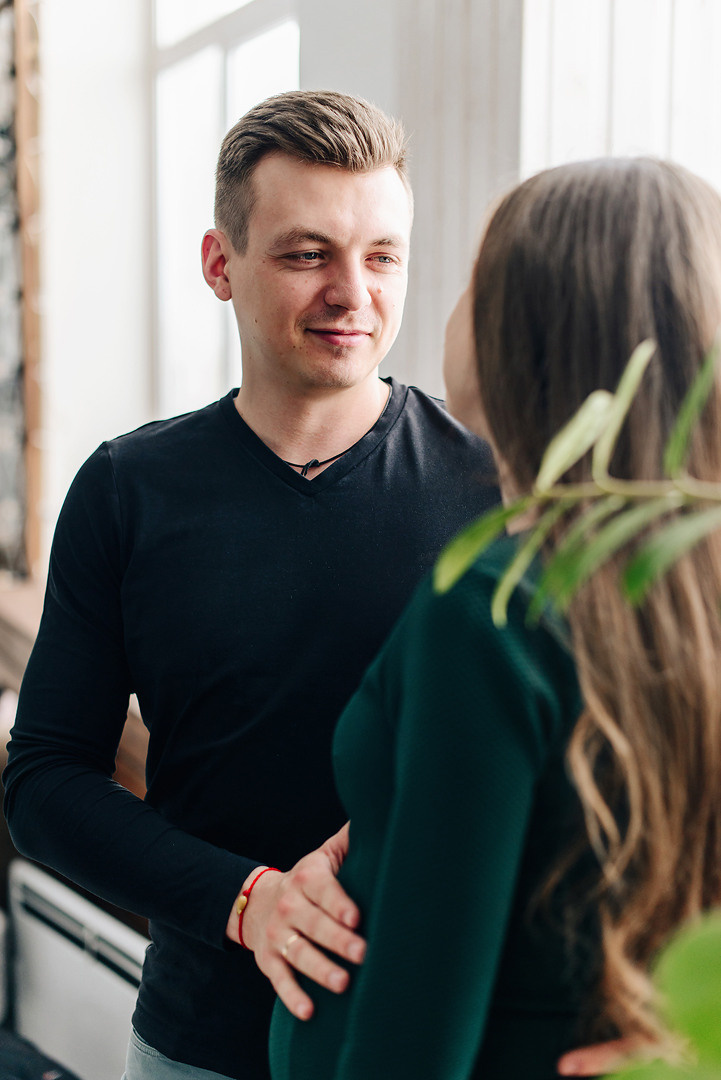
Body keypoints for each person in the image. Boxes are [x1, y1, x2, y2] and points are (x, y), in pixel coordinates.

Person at [2, 91, 501, 1080]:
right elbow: (45, 781)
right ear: (219, 264)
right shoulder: (127, 490)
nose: (352, 293)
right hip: (201, 1044)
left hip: (446, 1044)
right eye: (307, 254)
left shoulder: (495, 484)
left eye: (381, 256)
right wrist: (248, 900)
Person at [268, 157, 721, 1079]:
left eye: (473, 277)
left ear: (533, 329)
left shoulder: (494, 605)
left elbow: (412, 1051)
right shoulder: (681, 587)